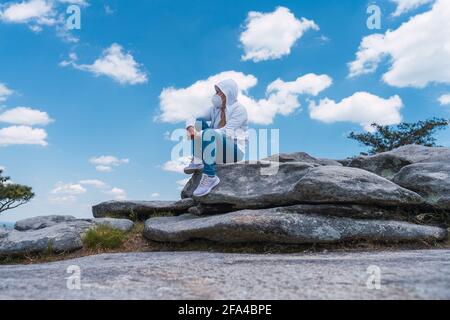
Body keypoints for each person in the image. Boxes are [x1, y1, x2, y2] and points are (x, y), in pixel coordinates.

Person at [184, 79, 248, 197]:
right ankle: (197, 159)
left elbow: (226, 132)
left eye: (219, 92)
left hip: (234, 151)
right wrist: (190, 128)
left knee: (209, 133)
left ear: (228, 93)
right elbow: (193, 116)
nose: (215, 95)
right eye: (216, 92)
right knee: (198, 122)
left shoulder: (239, 110)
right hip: (214, 148)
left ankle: (210, 176)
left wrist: (201, 135)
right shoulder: (214, 109)